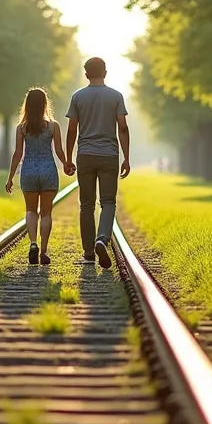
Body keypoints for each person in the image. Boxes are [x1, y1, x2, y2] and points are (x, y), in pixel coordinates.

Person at [65, 57, 130, 269]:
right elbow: (122, 128)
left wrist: (67, 157)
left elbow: (72, 129)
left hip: (85, 154)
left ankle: (89, 252)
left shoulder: (77, 97)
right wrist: (126, 157)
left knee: (86, 204)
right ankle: (102, 238)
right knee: (108, 201)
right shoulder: (116, 96)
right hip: (109, 155)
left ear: (86, 74)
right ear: (105, 72)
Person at [5, 87, 70, 266]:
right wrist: (66, 164)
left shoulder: (21, 128)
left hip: (29, 171)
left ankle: (33, 243)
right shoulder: (53, 126)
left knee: (31, 211)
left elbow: (17, 154)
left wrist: (10, 177)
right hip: (48, 170)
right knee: (47, 213)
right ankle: (43, 251)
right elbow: (58, 150)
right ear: (44, 104)